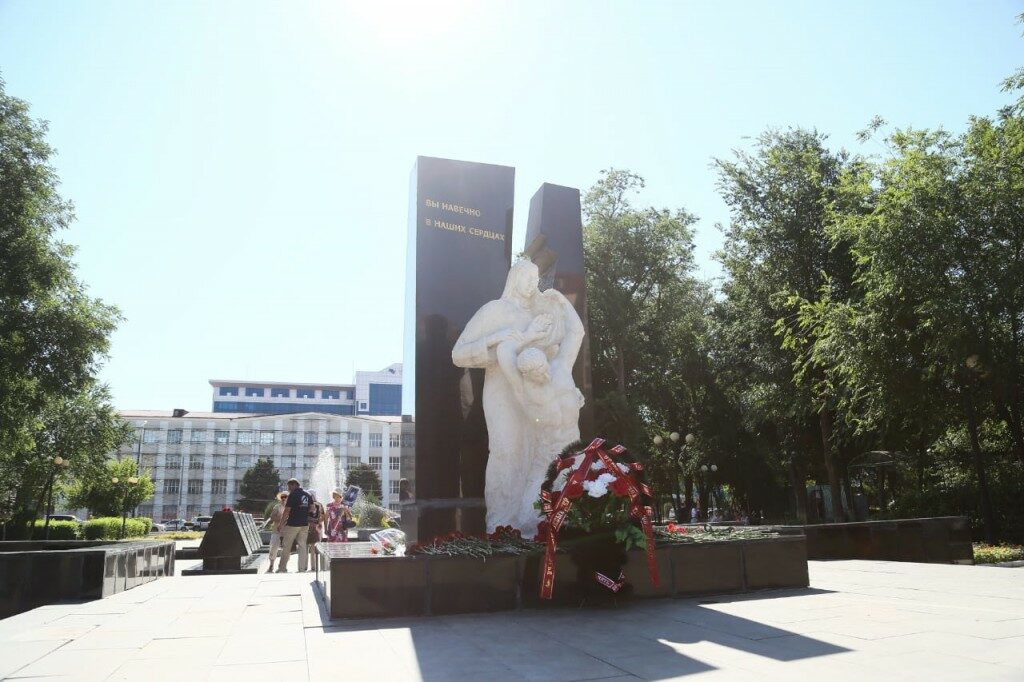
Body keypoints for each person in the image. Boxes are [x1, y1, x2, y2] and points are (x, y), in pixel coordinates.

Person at [277, 478, 311, 572]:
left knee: (286, 546)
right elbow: (312, 508)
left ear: (294, 485)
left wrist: (281, 524)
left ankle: (282, 568)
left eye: (289, 486)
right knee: (302, 546)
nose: (288, 489)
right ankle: (301, 569)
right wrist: (303, 513)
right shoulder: (307, 495)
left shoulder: (293, 495)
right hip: (304, 524)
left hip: (293, 524)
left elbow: (287, 510)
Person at [265, 491, 288, 573]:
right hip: (276, 530)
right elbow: (272, 517)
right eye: (282, 497)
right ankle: (271, 565)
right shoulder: (277, 506)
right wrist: (282, 519)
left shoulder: (290, 508)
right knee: (273, 548)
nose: (284, 498)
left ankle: (283, 566)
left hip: (287, 531)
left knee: (286, 550)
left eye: (285, 497)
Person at [307, 495, 325, 570]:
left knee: (308, 547)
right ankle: (317, 566)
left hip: (307, 527)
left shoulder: (306, 504)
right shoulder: (320, 505)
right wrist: (319, 522)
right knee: (316, 547)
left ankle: (307, 566)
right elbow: (323, 517)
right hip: (317, 527)